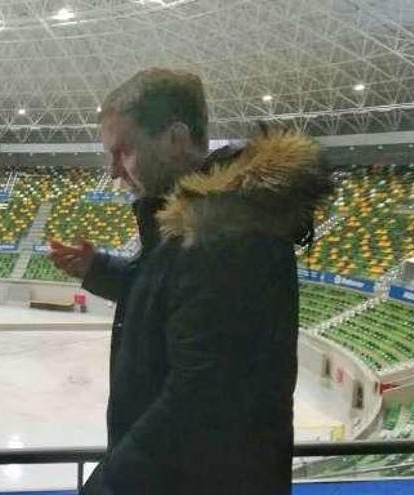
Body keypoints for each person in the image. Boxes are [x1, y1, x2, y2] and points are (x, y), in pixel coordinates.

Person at [50, 69, 332, 494]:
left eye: (122, 151)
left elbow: (198, 405)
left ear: (176, 139)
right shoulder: (197, 229)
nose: (112, 171)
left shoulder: (227, 238)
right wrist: (98, 270)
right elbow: (170, 297)